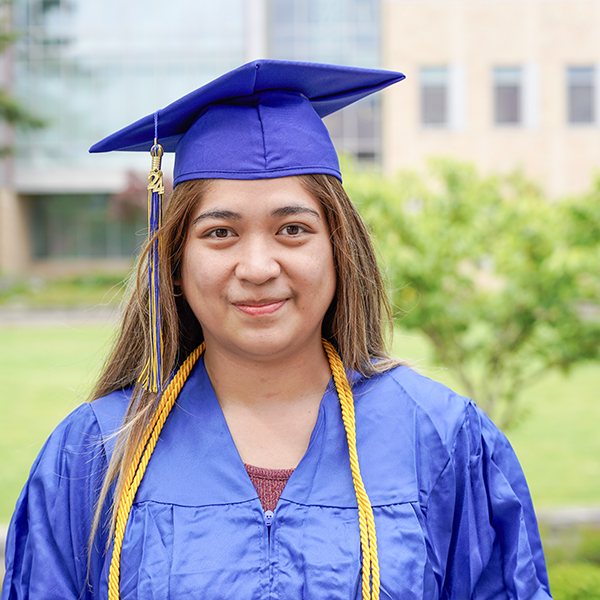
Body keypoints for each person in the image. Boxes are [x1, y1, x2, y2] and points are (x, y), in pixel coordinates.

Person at [1, 60, 552, 600]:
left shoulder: (443, 440)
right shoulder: (97, 452)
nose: (259, 267)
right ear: (175, 260)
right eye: (220, 232)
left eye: (293, 229)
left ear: (340, 247)